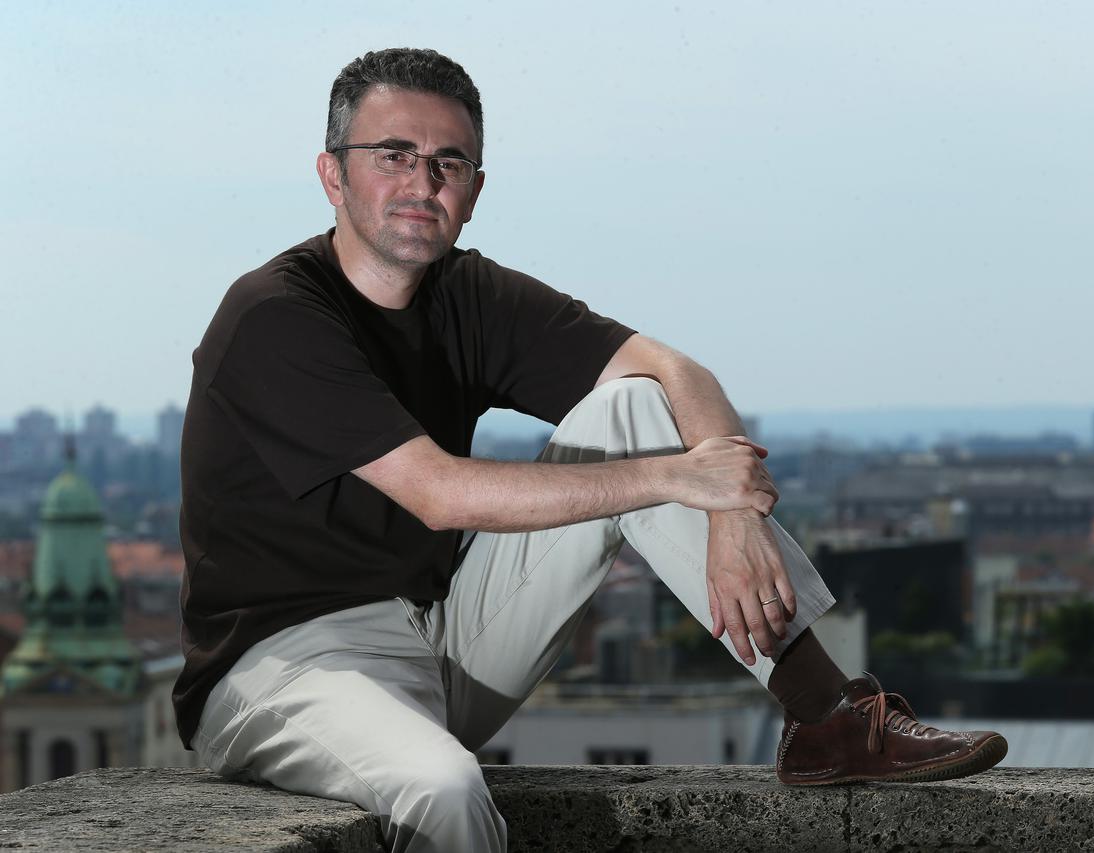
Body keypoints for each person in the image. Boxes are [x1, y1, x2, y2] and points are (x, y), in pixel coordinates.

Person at [175, 47, 1007, 852]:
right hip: (281, 666)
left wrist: (732, 508)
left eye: (448, 163)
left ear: (475, 191)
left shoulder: (464, 291)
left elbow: (676, 370)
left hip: (439, 635)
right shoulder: (275, 315)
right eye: (393, 155)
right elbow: (438, 492)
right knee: (443, 787)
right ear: (333, 174)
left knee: (634, 403)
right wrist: (683, 477)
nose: (423, 183)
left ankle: (826, 714)